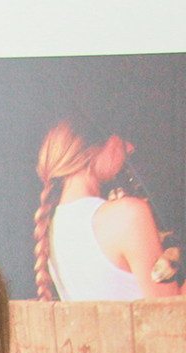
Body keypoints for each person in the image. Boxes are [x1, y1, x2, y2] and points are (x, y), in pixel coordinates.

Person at [33, 120, 180, 301]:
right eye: (122, 140)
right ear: (93, 150)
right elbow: (172, 311)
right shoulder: (128, 215)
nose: (130, 147)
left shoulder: (51, 226)